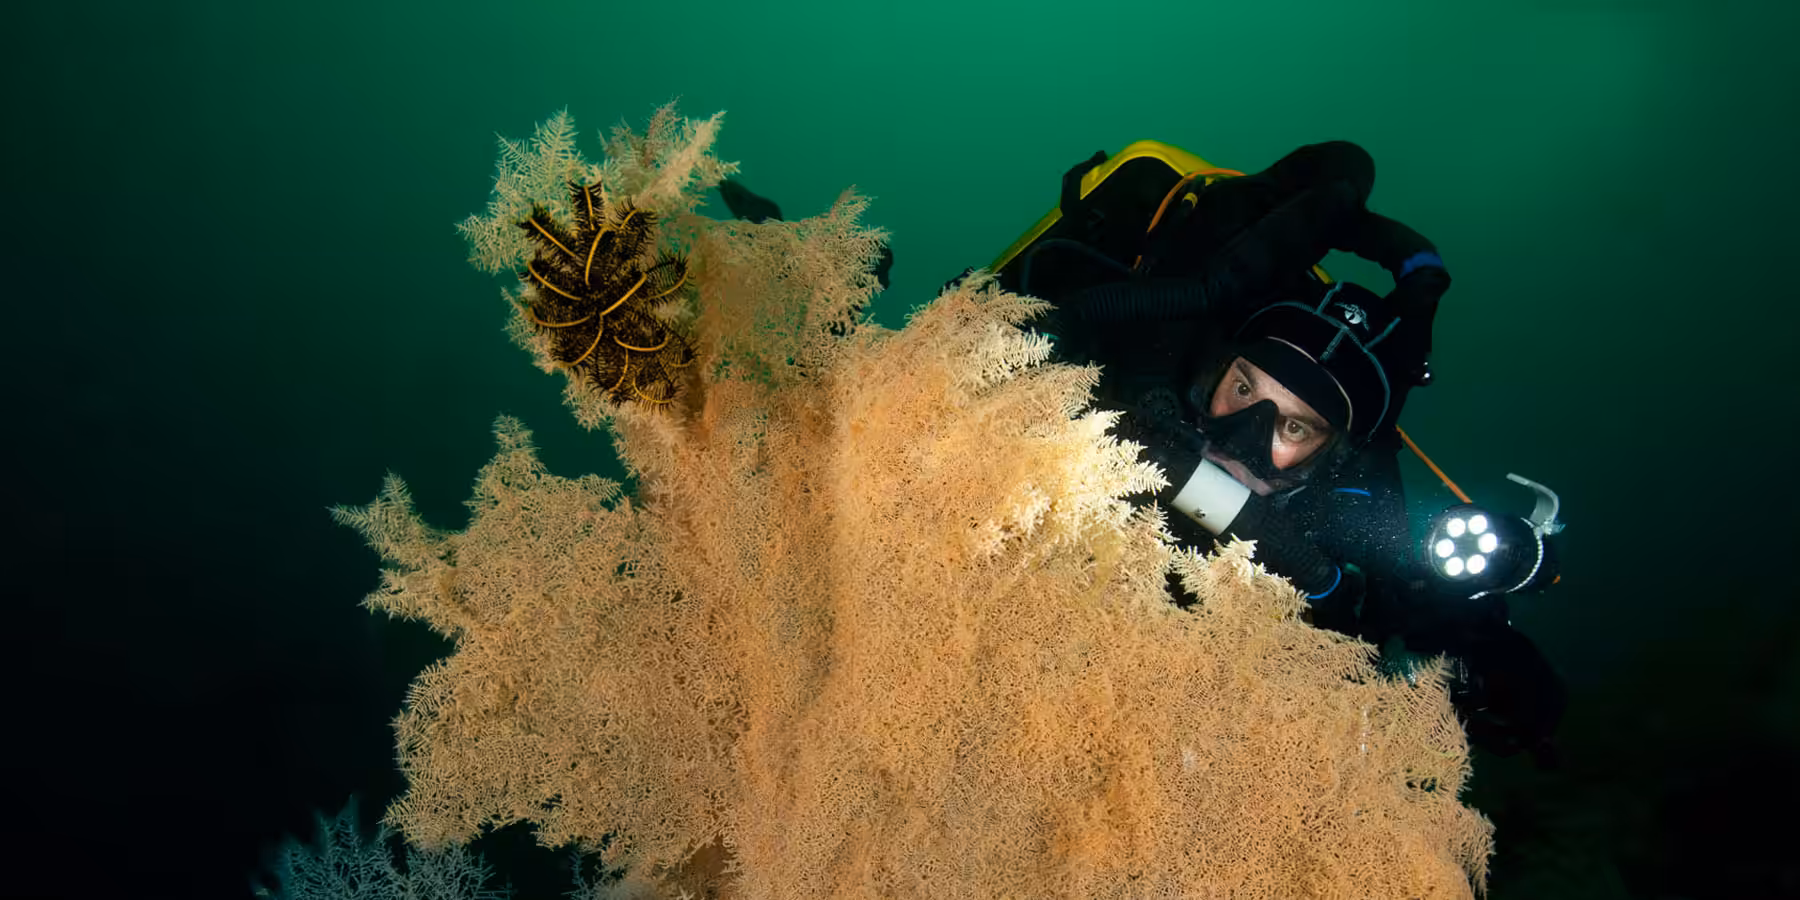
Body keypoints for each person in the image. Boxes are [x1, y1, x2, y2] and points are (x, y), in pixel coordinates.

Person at [1014, 141, 1565, 764]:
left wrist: (1480, 668)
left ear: (1332, 458)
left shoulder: (1342, 524)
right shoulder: (1132, 384)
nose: (1247, 433)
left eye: (1295, 429)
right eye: (1244, 389)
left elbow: (1418, 629)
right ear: (1212, 372)